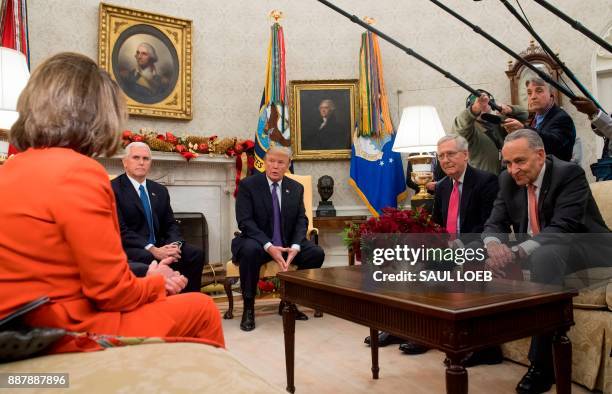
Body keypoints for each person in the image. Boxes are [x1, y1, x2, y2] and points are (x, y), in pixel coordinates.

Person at [0, 52, 224, 348]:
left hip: (19, 325)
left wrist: (148, 279)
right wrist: (156, 281)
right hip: (62, 329)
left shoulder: (10, 168)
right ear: (99, 114)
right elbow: (111, 293)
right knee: (202, 308)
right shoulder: (80, 173)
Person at [482, 129, 612, 394]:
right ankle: (484, 345)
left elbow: (564, 226)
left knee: (544, 255)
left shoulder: (569, 174)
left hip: (587, 245)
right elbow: (494, 222)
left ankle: (542, 366)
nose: (513, 169)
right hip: (542, 245)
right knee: (477, 249)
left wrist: (518, 252)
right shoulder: (507, 180)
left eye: (520, 161)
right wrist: (494, 246)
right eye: (507, 163)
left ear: (540, 155)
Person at [399, 135, 501, 365]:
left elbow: (488, 225)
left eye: (451, 154)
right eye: (441, 156)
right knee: (418, 253)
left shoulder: (486, 181)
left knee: (471, 251)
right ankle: (424, 333)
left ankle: (480, 346)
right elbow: (436, 225)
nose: (445, 160)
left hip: (479, 244)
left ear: (466, 155)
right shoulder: (443, 186)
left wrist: (457, 245)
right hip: (449, 248)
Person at [232, 146, 325, 331]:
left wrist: (296, 246)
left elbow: (301, 220)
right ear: (265, 162)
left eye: (280, 162)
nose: (275, 166)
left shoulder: (295, 188)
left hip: (287, 242)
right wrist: (268, 246)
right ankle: (248, 309)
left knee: (316, 253)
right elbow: (245, 221)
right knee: (249, 251)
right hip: (258, 241)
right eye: (271, 161)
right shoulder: (248, 185)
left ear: (288, 165)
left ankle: (288, 302)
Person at [112, 142, 204, 293]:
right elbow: (121, 229)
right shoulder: (113, 189)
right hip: (134, 248)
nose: (141, 162)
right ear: (125, 162)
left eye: (146, 159)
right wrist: (153, 249)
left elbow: (170, 224)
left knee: (194, 254)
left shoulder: (159, 190)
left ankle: (188, 301)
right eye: (136, 158)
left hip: (162, 244)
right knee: (150, 259)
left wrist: (174, 246)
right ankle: (161, 304)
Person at [451, 90, 528, 175]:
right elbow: (460, 128)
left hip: (507, 178)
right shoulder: (469, 130)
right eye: (479, 103)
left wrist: (510, 109)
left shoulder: (497, 122)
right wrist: (474, 109)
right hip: (485, 183)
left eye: (487, 103)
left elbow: (524, 114)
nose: (484, 105)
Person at [503, 78, 576, 162]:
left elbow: (553, 144)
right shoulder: (535, 118)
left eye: (539, 91)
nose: (533, 97)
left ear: (552, 95)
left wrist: (523, 130)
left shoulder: (562, 118)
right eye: (529, 93)